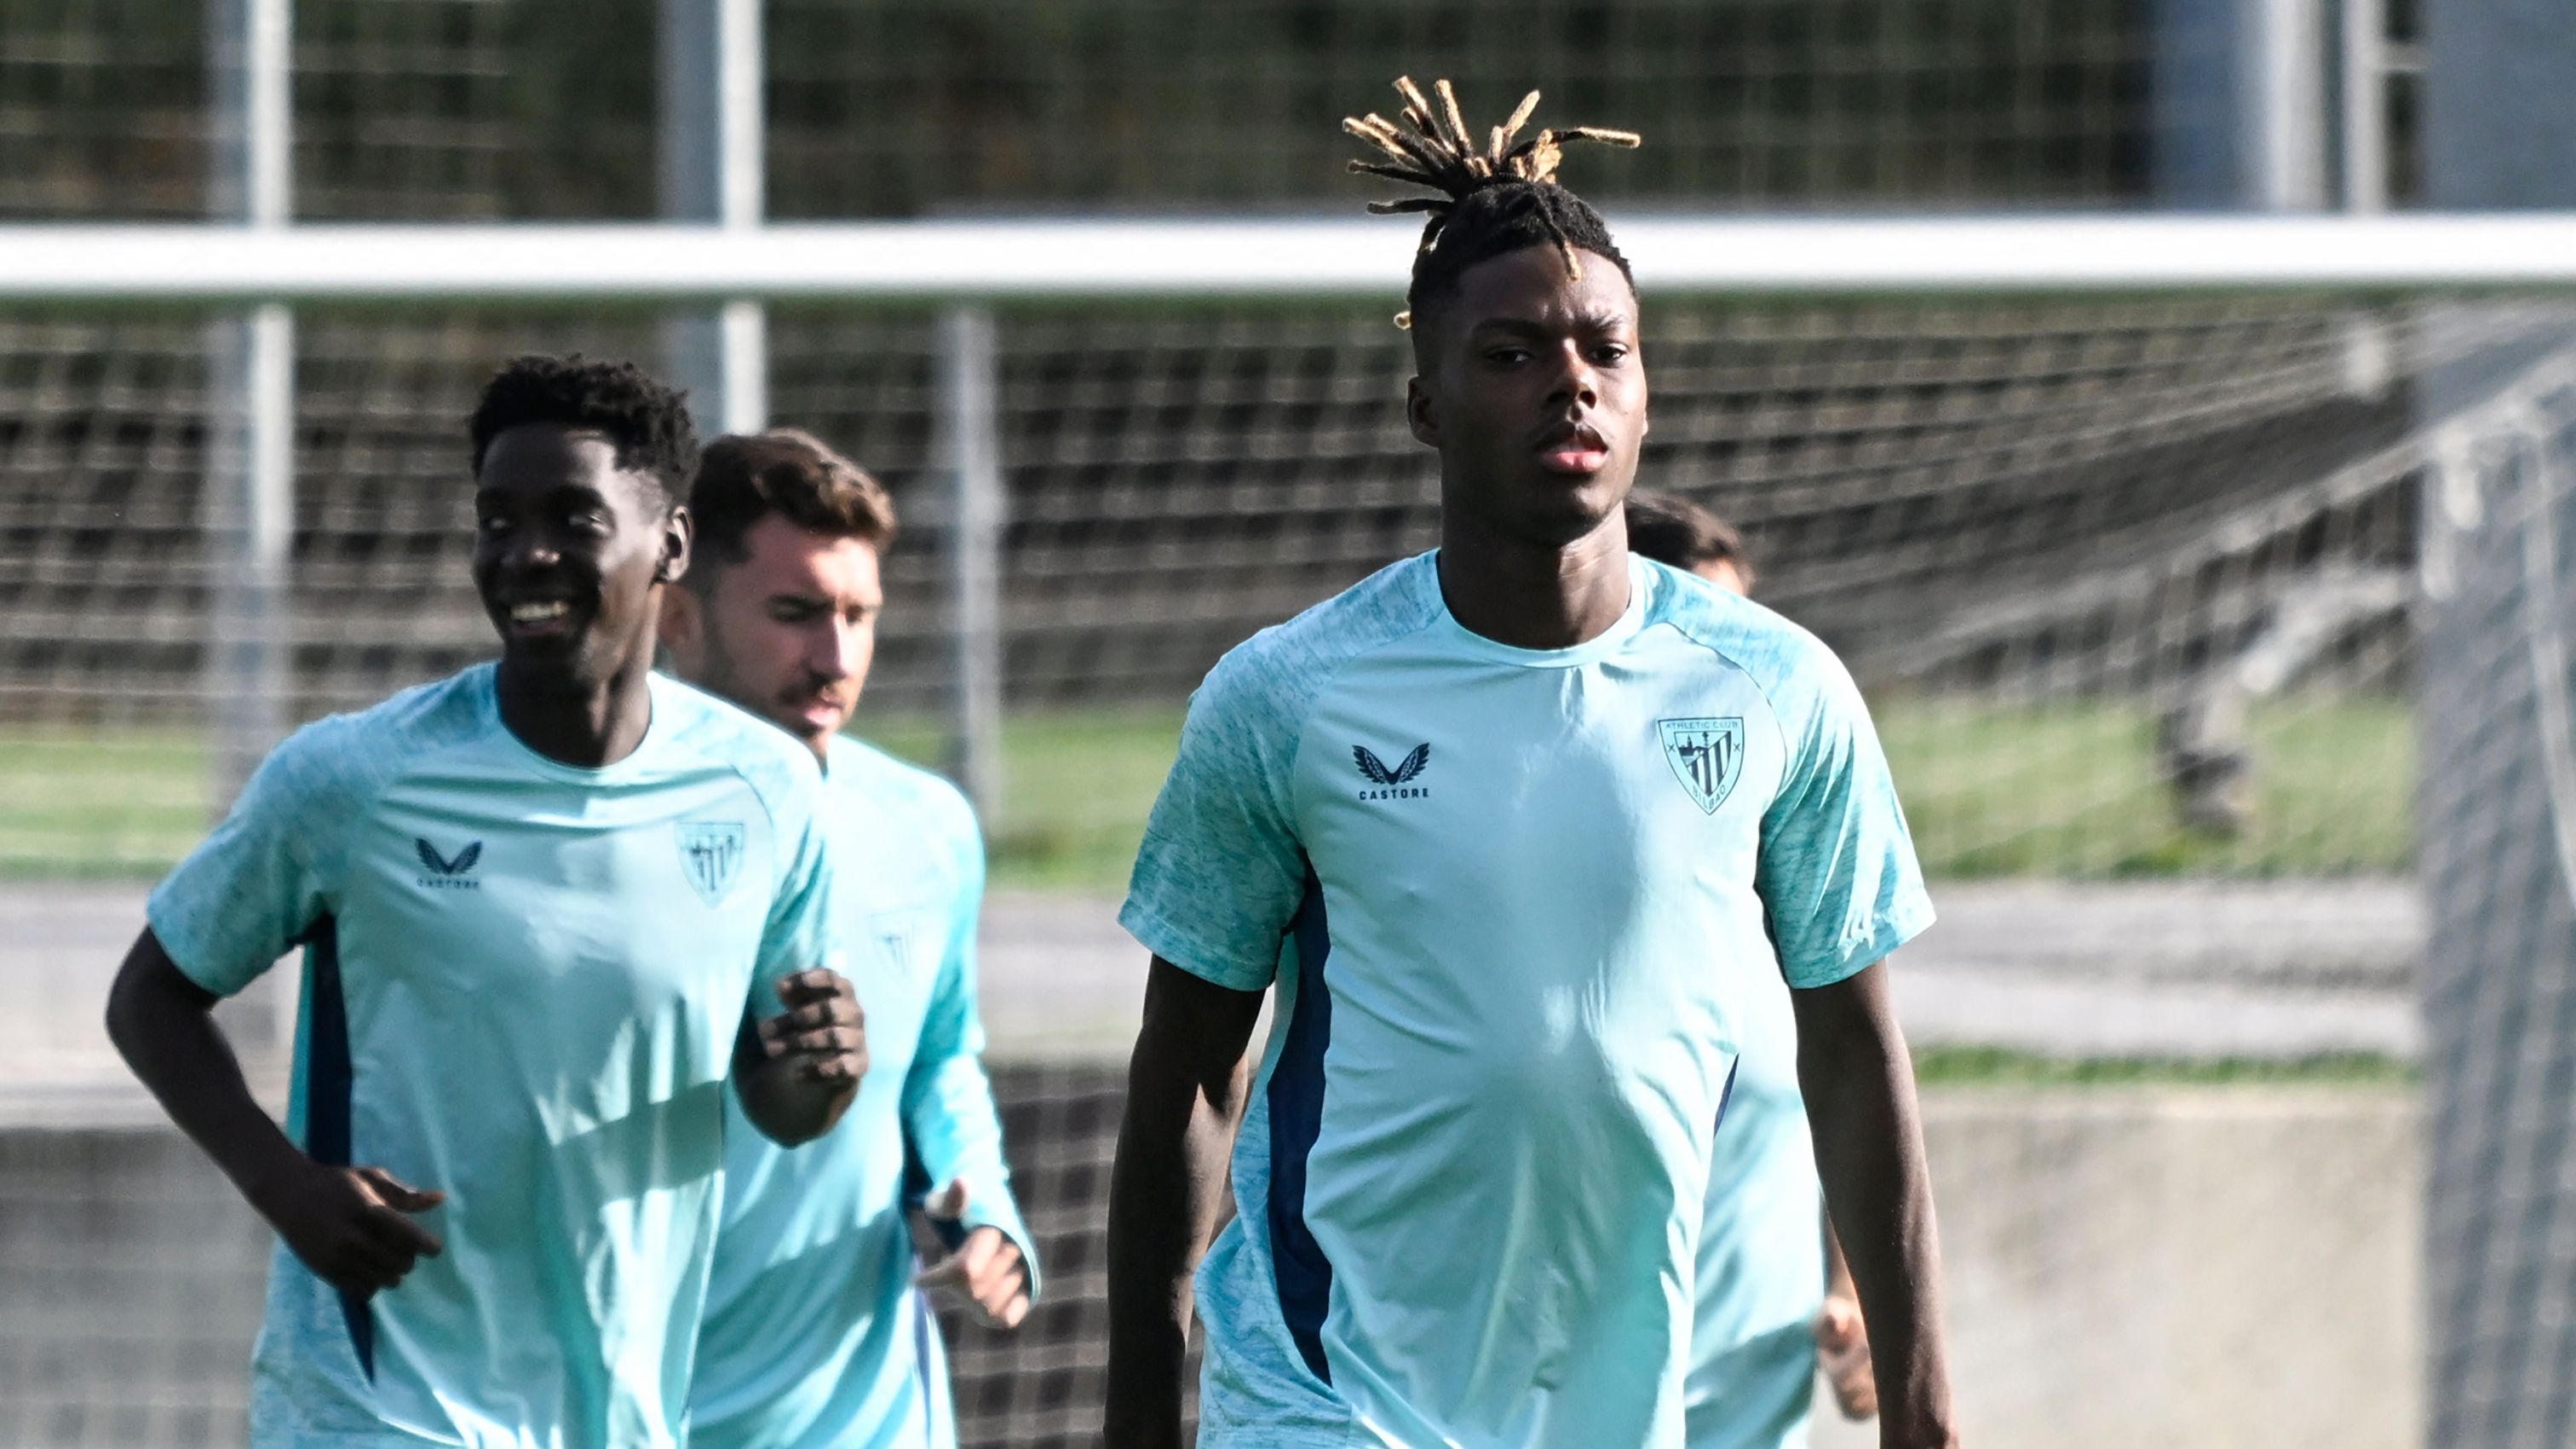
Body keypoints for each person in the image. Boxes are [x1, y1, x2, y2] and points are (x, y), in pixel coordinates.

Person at [1101, 78, 1958, 1449]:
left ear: (1644, 389)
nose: (1568, 378)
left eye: (1602, 350)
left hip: (1617, 1403)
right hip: (1331, 1395)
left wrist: (1924, 1407)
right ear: (1424, 403)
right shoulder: (1289, 694)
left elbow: (1854, 1056)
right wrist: (1143, 1417)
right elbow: (1187, 1077)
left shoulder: (1776, 689)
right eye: (1510, 353)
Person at [102, 354, 866, 1449]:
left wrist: (824, 1076)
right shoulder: (355, 778)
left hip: (622, 1409)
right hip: (375, 1403)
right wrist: (286, 1186)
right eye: (496, 520)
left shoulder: (769, 790)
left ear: (674, 547)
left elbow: (778, 1101)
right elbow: (153, 996)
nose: (526, 556)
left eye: (573, 518)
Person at [661, 428, 1038, 1448]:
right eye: (794, 614)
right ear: (678, 617)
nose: (835, 657)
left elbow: (942, 1057)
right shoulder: (592, 841)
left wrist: (983, 1203)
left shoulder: (927, 826)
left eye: (858, 615)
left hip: (867, 1418)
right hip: (635, 1412)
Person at [1624, 489, 1876, 1448]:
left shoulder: (1790, 888)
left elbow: (1850, 1104)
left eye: (1749, 628)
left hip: (1749, 1419)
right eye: (1702, 629)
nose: (1735, 666)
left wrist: (1853, 1305)